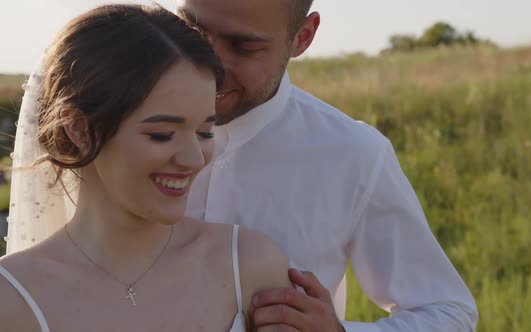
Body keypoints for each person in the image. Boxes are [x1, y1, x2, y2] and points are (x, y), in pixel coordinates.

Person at [177, 0, 479, 331]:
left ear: (302, 38)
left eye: (243, 46)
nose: (209, 62)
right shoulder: (119, 124)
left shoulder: (354, 155)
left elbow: (449, 312)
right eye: (192, 30)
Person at [0, 4, 291, 331]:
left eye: (204, 132)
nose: (194, 159)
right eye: (162, 135)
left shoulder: (249, 266)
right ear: (78, 129)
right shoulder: (11, 299)